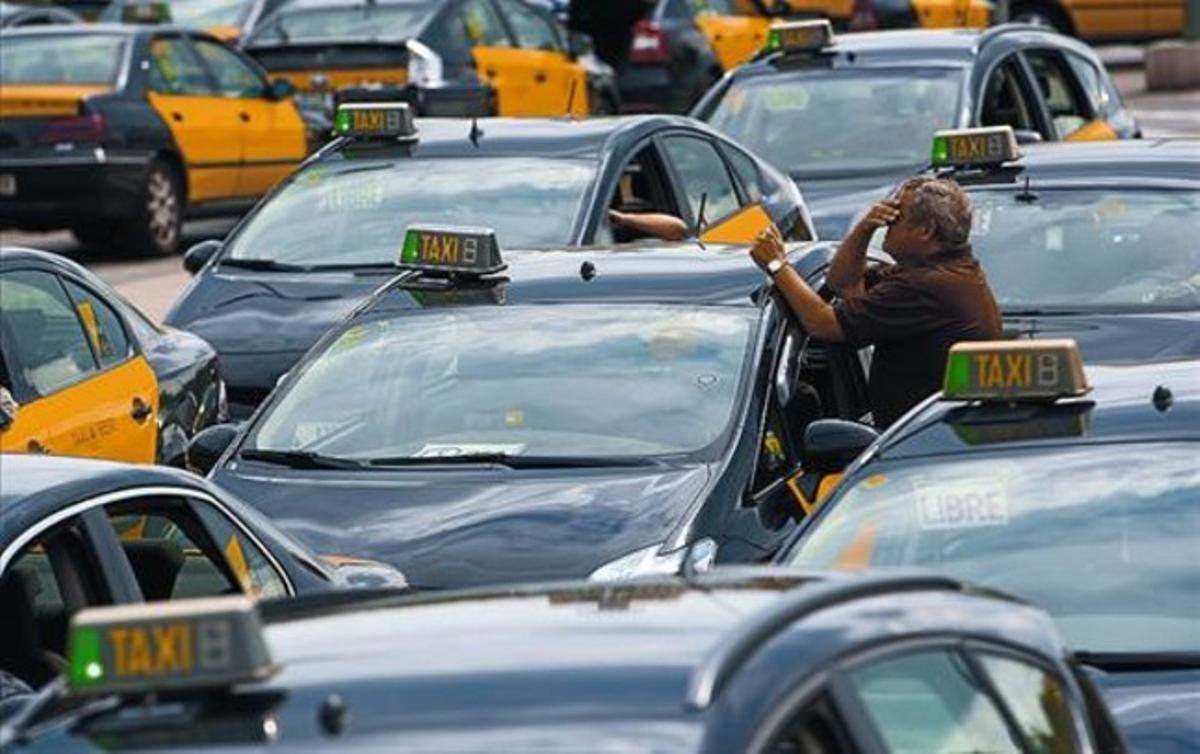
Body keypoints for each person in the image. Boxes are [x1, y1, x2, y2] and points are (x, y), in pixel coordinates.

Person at [749, 175, 1002, 428]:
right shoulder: (946, 272)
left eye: (895, 218)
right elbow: (843, 284)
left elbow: (825, 324)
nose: (886, 225)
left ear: (925, 231)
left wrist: (777, 265)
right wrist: (865, 228)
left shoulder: (926, 286)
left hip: (924, 441)